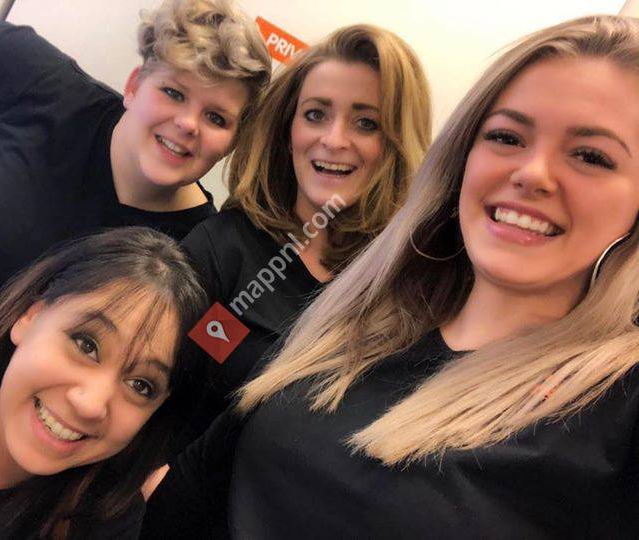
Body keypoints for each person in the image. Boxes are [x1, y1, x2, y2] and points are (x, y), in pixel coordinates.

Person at [144, 15, 639, 539]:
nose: (533, 173)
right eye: (506, 136)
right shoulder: (363, 307)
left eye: (591, 156)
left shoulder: (616, 405)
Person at [0, 0, 270, 330]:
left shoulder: (198, 255)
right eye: (174, 93)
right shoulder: (41, 87)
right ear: (134, 86)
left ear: (233, 143)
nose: (188, 124)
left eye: (216, 118)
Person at [178, 24, 432, 443]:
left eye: (366, 123)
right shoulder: (222, 249)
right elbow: (157, 391)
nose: (333, 140)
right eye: (316, 115)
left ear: (396, 142)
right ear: (287, 129)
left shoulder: (410, 286)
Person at [0, 227, 207, 539]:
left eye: (140, 385)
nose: (90, 404)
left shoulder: (102, 524)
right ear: (30, 316)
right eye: (86, 345)